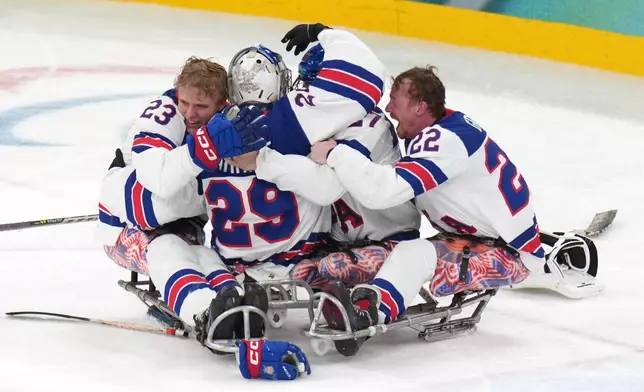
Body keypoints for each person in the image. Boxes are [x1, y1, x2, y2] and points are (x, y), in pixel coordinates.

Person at [306, 65, 547, 356]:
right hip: (480, 237)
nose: (388, 107)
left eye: (395, 100)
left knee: (413, 254)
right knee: (363, 259)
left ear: (420, 107)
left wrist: (336, 153)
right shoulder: (445, 127)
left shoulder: (444, 142)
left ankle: (368, 315)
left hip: (506, 253)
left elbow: (382, 192)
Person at [96, 57, 312, 380]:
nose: (189, 113)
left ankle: (234, 305)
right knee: (167, 248)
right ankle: (205, 315)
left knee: (205, 256)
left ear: (222, 104)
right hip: (126, 218)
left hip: (183, 224)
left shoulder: (230, 121)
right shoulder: (165, 114)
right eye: (184, 101)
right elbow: (155, 189)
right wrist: (204, 149)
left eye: (201, 105)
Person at [225, 43, 420, 289]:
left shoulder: (371, 126)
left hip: (388, 240)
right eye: (305, 85)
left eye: (313, 86)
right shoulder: (322, 123)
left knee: (330, 268)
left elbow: (326, 188)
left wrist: (260, 160)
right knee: (291, 268)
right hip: (337, 242)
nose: (305, 94)